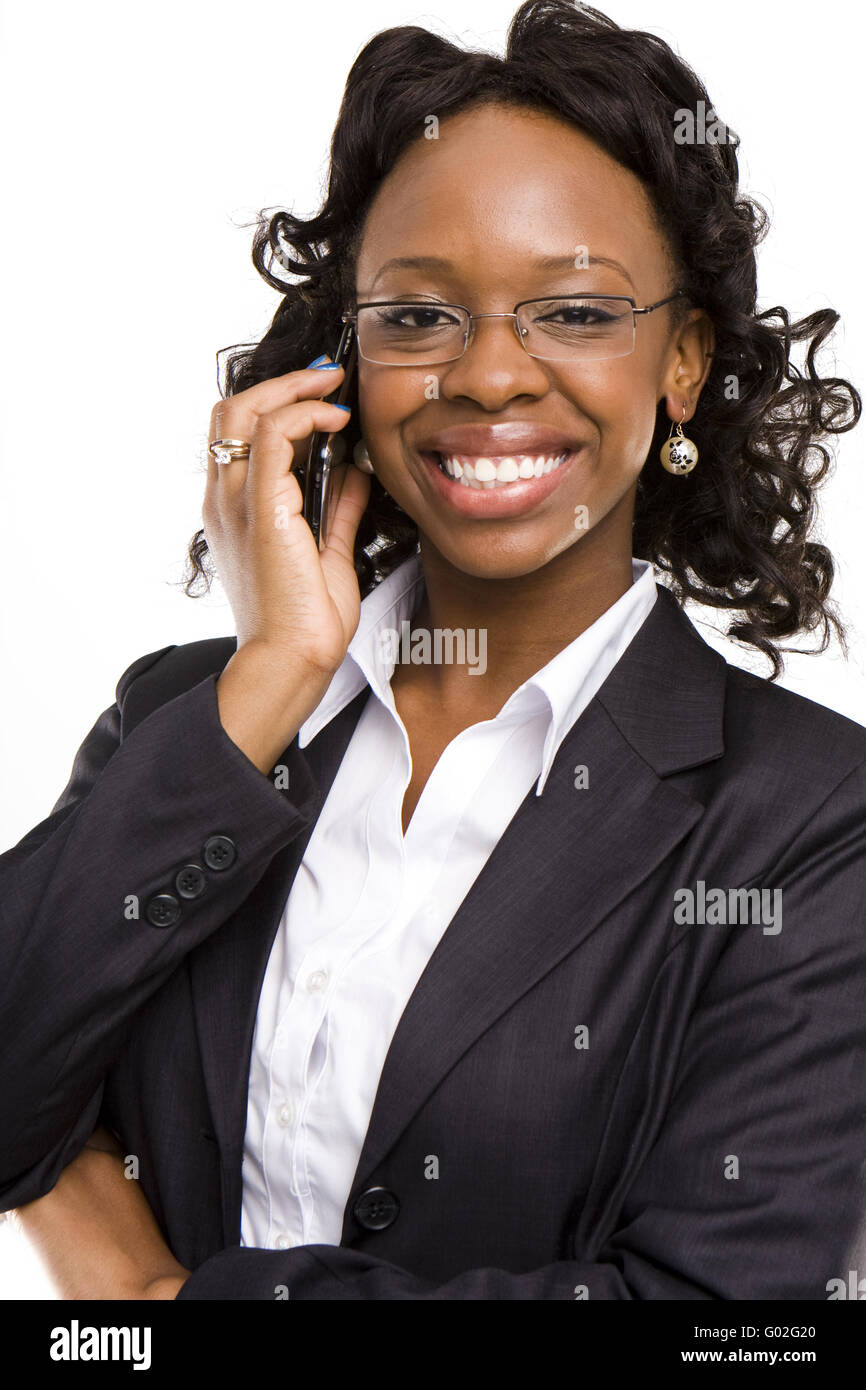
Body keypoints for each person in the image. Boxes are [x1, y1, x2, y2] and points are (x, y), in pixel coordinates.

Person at [3, 0, 865, 1301]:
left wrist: (160, 1308)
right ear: (347, 352)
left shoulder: (812, 821)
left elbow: (719, 1319)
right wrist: (272, 671)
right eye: (416, 314)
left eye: (573, 310)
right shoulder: (194, 721)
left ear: (680, 364)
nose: (489, 373)